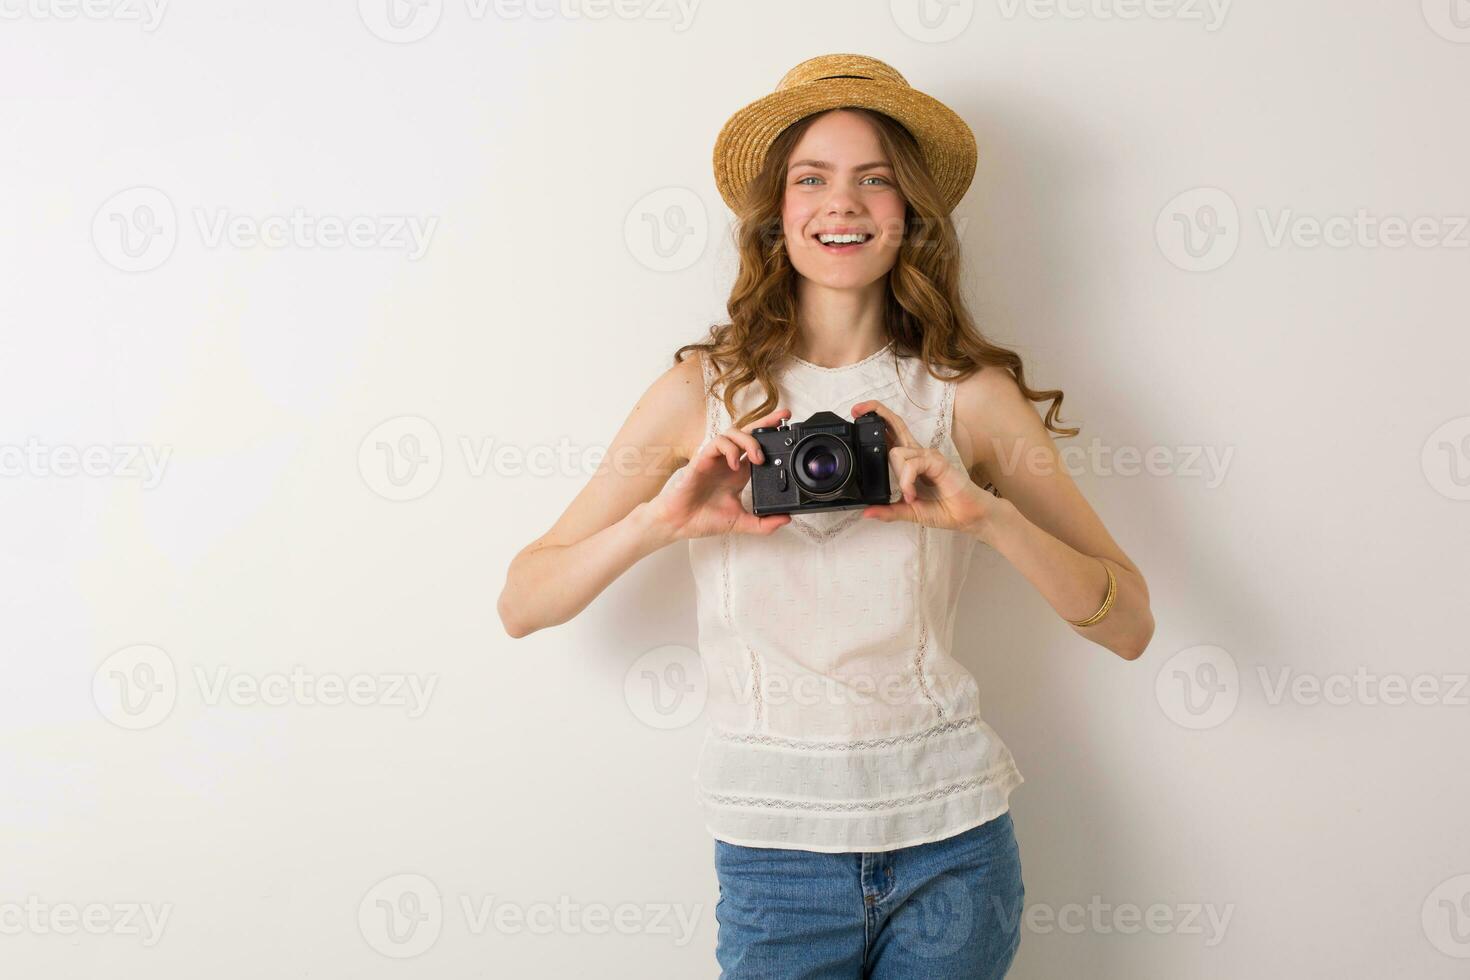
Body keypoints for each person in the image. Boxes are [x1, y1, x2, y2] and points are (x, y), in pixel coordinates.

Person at [498, 53, 1155, 979]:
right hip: (775, 855)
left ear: (910, 214)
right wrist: (663, 520)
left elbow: (1129, 622)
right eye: (812, 179)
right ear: (777, 213)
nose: (840, 205)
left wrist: (983, 520)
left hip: (954, 843)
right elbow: (524, 601)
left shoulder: (966, 396)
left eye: (874, 180)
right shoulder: (703, 392)